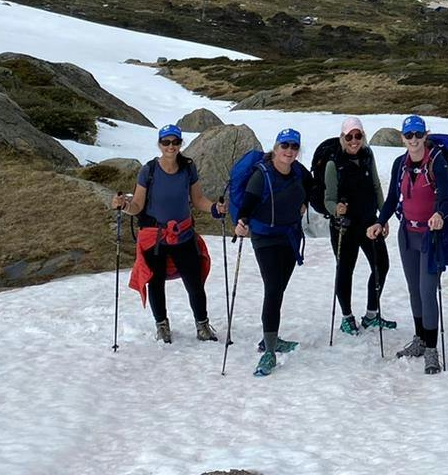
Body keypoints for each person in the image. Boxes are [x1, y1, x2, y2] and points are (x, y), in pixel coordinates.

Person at [113, 124, 224, 343]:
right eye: (166, 142)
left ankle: (202, 325)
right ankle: (162, 325)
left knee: (194, 282)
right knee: (155, 283)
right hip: (155, 238)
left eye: (175, 142)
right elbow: (137, 205)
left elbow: (198, 199)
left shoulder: (188, 168)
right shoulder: (149, 170)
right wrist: (123, 205)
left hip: (183, 235)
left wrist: (214, 208)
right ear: (159, 144)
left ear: (181, 144)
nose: (171, 146)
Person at [370, 114, 448, 374]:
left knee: (427, 290)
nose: (414, 140)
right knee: (414, 290)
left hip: (431, 237)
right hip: (406, 235)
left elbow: (447, 198)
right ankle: (420, 339)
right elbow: (392, 199)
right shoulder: (400, 164)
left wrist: (440, 215)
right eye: (409, 135)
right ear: (402, 137)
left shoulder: (437, 162)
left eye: (419, 134)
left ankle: (431, 349)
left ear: (426, 135)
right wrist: (380, 221)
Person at [234, 127, 314, 376]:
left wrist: (305, 203)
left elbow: (312, 191)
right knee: (273, 287)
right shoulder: (262, 175)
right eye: (285, 146)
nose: (289, 151)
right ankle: (269, 351)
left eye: (293, 147)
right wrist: (242, 222)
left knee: (278, 288)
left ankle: (271, 337)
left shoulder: (299, 172)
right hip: (265, 237)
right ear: (276, 148)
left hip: (289, 236)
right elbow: (248, 203)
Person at [322, 116, 395, 335]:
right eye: (350, 136)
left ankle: (371, 314)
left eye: (358, 135)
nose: (354, 141)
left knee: (381, 265)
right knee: (345, 270)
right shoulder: (333, 164)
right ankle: (347, 317)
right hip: (344, 227)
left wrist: (384, 216)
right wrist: (336, 209)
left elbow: (375, 185)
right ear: (342, 138)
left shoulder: (367, 155)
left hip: (369, 223)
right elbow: (328, 200)